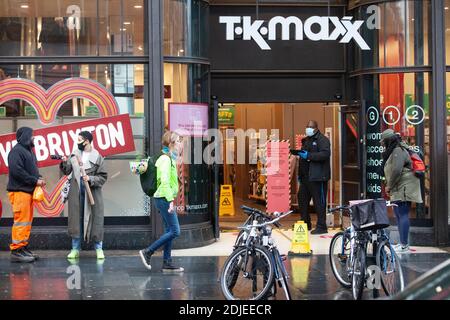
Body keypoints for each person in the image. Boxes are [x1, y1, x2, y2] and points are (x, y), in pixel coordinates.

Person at [139, 131, 183, 272]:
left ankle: (167, 262)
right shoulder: (165, 159)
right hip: (164, 198)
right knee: (175, 231)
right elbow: (164, 181)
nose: (181, 144)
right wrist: (170, 201)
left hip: (164, 198)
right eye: (178, 141)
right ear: (171, 144)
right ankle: (148, 251)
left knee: (169, 230)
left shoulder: (170, 158)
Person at [60, 131, 107, 260]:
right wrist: (64, 162)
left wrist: (90, 178)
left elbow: (103, 177)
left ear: (86, 141)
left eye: (80, 139)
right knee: (76, 220)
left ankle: (99, 248)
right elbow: (67, 171)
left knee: (95, 220)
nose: (77, 141)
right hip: (76, 192)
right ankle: (75, 249)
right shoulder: (74, 154)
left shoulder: (98, 157)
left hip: (92, 193)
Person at [7, 127, 46, 263]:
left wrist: (38, 177)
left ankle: (23, 247)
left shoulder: (28, 151)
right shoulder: (16, 151)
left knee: (26, 222)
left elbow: (31, 170)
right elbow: (17, 171)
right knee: (21, 221)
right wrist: (35, 180)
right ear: (25, 136)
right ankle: (16, 251)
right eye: (31, 135)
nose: (33, 138)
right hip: (19, 191)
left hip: (27, 191)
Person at [381, 129, 422, 253]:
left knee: (402, 214)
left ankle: (404, 244)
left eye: (383, 142)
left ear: (389, 140)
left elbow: (396, 170)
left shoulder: (398, 150)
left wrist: (389, 186)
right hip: (399, 187)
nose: (383, 145)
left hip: (403, 188)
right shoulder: (395, 150)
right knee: (399, 214)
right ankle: (402, 243)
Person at [293, 120, 331, 234]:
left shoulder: (323, 140)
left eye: (310, 127)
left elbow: (325, 154)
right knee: (302, 199)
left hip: (318, 177)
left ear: (315, 128)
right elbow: (303, 159)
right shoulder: (306, 140)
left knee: (319, 202)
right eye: (307, 126)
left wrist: (309, 155)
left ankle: (321, 226)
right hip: (306, 177)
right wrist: (300, 175)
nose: (308, 129)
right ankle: (305, 223)